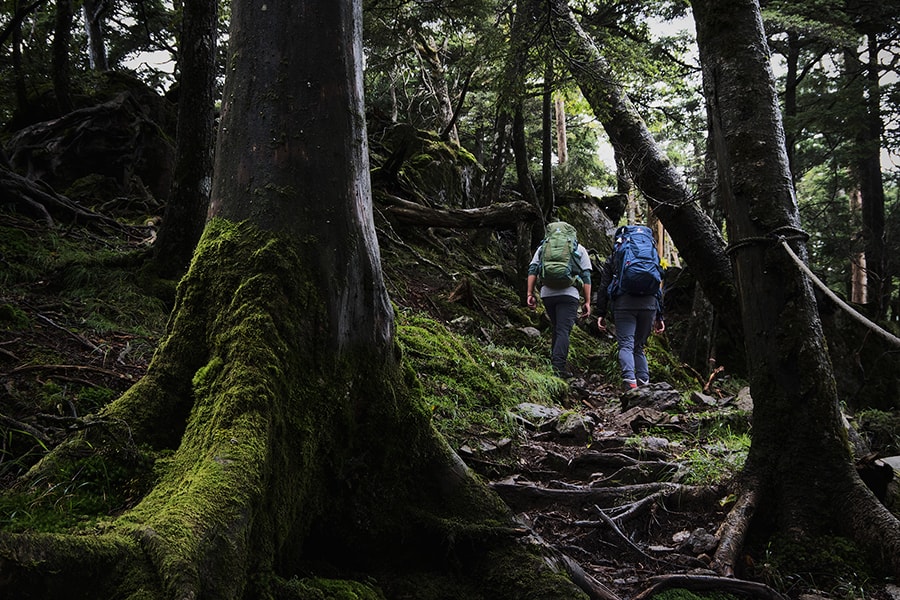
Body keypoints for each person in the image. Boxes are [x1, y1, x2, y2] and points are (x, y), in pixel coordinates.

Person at [594, 225, 665, 390]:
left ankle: (630, 381)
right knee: (638, 346)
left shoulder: (616, 256)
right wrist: (660, 316)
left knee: (626, 344)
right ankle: (644, 382)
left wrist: (601, 313)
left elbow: (604, 285)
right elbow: (658, 285)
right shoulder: (652, 255)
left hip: (624, 303)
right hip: (649, 304)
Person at [525, 227, 592, 379]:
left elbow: (533, 269)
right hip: (569, 295)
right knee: (563, 329)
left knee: (557, 327)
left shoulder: (543, 247)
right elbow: (586, 276)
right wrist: (587, 301)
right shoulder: (578, 248)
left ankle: (555, 363)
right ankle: (558, 368)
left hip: (547, 294)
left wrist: (530, 293)